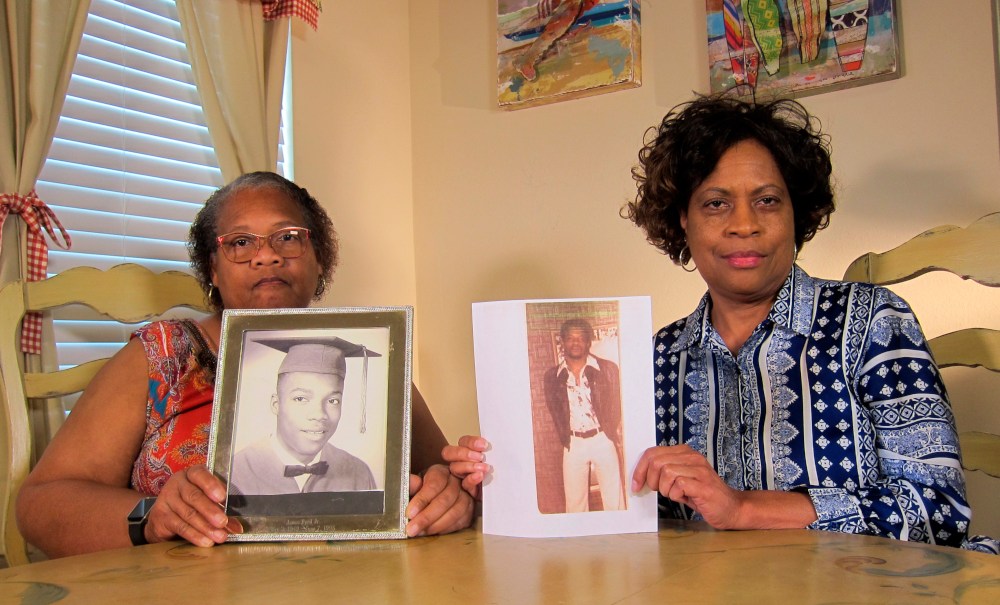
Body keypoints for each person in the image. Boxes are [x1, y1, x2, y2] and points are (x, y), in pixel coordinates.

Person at [445, 95, 997, 553]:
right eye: (715, 203)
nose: (743, 225)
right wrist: (496, 480)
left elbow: (939, 511)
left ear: (796, 213)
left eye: (767, 200)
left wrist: (743, 507)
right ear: (681, 218)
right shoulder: (653, 358)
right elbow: (630, 517)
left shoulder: (872, 321)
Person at [16, 172, 474, 558]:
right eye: (239, 242)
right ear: (212, 269)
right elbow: (41, 504)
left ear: (320, 260)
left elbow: (441, 482)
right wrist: (151, 515)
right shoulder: (162, 356)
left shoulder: (374, 353)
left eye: (288, 238)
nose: (266, 255)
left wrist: (452, 497)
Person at [230, 338, 378, 496]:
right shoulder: (235, 472)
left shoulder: (359, 473)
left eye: (332, 401)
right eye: (300, 399)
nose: (319, 414)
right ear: (276, 404)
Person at [543, 318, 624, 512]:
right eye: (570, 338)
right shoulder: (552, 377)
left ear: (588, 341)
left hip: (603, 438)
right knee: (575, 504)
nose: (576, 342)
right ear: (562, 341)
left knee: (615, 500)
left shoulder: (607, 369)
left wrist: (609, 430)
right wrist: (565, 437)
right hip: (573, 444)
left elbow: (616, 404)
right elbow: (554, 410)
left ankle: (621, 539)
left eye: (581, 338)